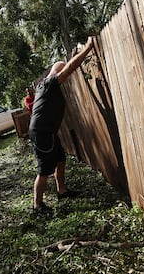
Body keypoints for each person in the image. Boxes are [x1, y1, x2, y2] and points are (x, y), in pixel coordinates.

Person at [29, 36, 94, 214]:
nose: (64, 80)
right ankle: (38, 205)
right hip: (42, 132)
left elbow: (67, 67)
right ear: (57, 72)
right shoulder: (50, 83)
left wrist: (74, 54)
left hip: (48, 131)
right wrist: (87, 49)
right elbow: (70, 68)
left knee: (60, 159)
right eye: (61, 72)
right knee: (44, 169)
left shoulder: (46, 86)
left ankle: (62, 191)